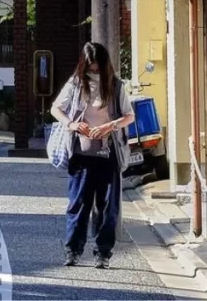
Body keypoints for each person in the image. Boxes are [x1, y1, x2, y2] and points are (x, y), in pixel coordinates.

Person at [49, 41, 135, 269]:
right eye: (89, 69)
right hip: (81, 153)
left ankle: (103, 253)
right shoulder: (76, 83)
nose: (93, 73)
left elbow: (129, 116)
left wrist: (110, 126)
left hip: (109, 154)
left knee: (108, 208)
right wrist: (72, 124)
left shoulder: (116, 86)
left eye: (97, 69)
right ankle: (73, 251)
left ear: (105, 67)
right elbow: (55, 108)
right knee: (78, 204)